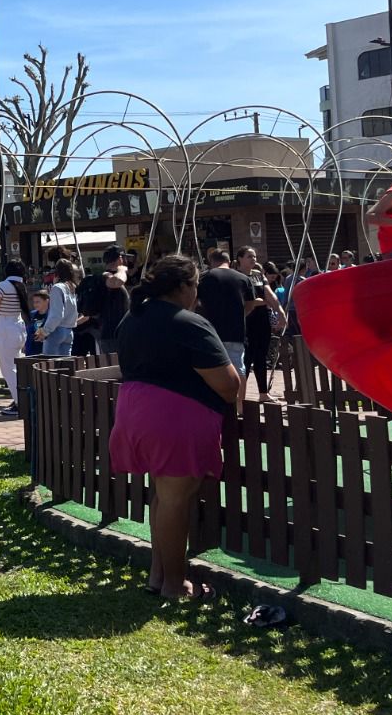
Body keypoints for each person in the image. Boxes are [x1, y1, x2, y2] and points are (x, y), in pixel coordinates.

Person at [109, 254, 241, 601]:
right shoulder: (188, 323)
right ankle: (175, 584)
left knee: (163, 497)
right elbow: (228, 385)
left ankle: (158, 575)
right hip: (175, 417)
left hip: (134, 411)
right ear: (182, 286)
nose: (197, 294)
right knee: (174, 501)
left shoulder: (131, 320)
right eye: (195, 285)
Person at [196, 250, 258, 380]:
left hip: (209, 331)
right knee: (238, 367)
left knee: (211, 368)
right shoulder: (244, 278)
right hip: (235, 330)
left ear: (212, 262)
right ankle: (239, 400)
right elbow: (251, 304)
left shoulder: (203, 277)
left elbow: (194, 302)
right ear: (229, 262)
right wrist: (239, 315)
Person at [235, 248, 287, 404]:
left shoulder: (259, 275)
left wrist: (280, 311)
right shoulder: (235, 276)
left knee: (261, 358)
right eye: (249, 256)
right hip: (245, 321)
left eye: (254, 256)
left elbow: (268, 293)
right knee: (246, 359)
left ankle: (263, 393)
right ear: (240, 258)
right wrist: (260, 302)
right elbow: (243, 301)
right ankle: (240, 397)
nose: (253, 259)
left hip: (261, 320)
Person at [0, 261, 33, 415]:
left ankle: (21, 403)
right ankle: (19, 398)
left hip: (6, 327)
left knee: (8, 369)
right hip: (18, 325)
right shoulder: (21, 286)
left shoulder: (3, 285)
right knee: (16, 366)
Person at [79, 247, 131, 356]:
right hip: (112, 334)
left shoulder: (106, 277)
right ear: (119, 258)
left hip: (117, 333)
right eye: (124, 258)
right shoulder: (105, 276)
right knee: (116, 369)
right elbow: (118, 281)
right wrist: (122, 269)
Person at [36, 261, 79, 357]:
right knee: (66, 365)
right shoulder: (72, 287)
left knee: (49, 364)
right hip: (69, 330)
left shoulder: (57, 288)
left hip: (57, 330)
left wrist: (44, 331)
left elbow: (57, 314)